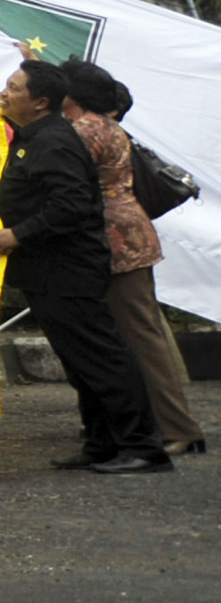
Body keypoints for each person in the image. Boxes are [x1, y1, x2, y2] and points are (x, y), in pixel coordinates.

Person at [0, 58, 167, 472]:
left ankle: (141, 446)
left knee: (101, 357)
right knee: (79, 361)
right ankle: (101, 442)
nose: (6, 92)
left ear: (41, 101)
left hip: (68, 268)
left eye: (14, 88)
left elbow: (71, 205)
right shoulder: (37, 133)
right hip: (47, 270)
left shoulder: (55, 142)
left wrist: (20, 233)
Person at [62, 62, 203, 456]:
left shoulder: (86, 130)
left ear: (72, 94)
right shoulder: (104, 125)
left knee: (140, 337)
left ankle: (178, 427)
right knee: (141, 334)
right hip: (130, 236)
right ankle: (164, 424)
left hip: (115, 241)